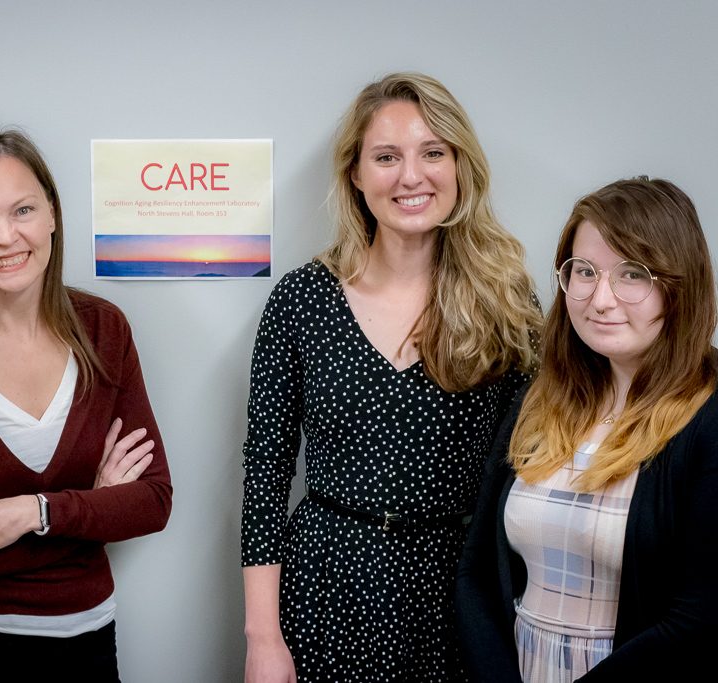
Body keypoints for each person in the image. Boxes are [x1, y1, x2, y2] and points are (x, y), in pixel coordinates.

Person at [240, 72, 541, 682]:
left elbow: (532, 465)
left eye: (433, 153)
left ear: (460, 166)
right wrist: (262, 638)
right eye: (386, 157)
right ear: (354, 173)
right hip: (326, 589)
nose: (411, 176)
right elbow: (265, 476)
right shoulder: (302, 301)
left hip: (454, 595)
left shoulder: (506, 304)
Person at [0, 129, 172, 682]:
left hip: (88, 643)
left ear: (52, 214)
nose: (7, 237)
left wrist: (27, 513)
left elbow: (152, 501)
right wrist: (92, 508)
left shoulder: (105, 330)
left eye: (23, 210)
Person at [456, 177, 718, 682]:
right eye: (585, 271)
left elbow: (701, 617)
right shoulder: (538, 401)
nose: (601, 299)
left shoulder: (706, 418)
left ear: (679, 284)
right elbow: (477, 575)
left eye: (632, 275)